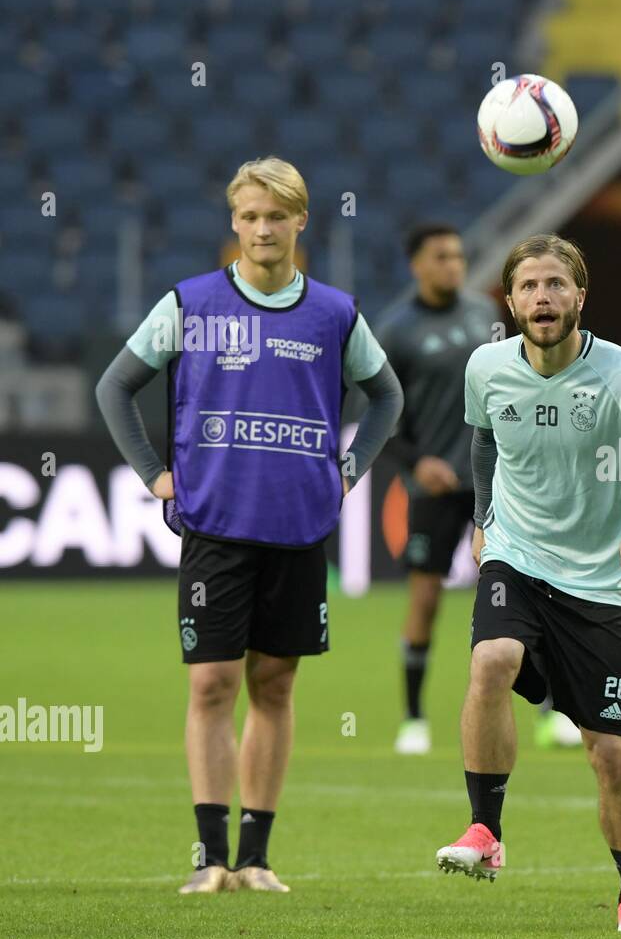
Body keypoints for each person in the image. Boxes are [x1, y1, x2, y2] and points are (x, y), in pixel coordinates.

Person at [95, 156, 403, 894]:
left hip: (298, 526)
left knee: (274, 684)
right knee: (210, 685)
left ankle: (257, 856)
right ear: (234, 223)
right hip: (215, 524)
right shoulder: (192, 303)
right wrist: (153, 473)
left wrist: (350, 468)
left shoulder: (334, 312)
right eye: (251, 216)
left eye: (278, 215)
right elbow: (116, 386)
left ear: (302, 221)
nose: (264, 228)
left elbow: (386, 397)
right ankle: (210, 857)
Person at [433, 234, 621, 932]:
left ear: (581, 296)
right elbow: (484, 439)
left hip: (597, 585)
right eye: (528, 286)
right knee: (491, 659)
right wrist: (484, 517)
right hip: (516, 558)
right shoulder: (487, 366)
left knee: (610, 753)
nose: (542, 298)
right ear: (511, 299)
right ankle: (485, 830)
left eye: (556, 285)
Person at [376, 224, 582, 753]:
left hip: (498, 480)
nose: (454, 264)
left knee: (531, 595)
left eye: (459, 255)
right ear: (416, 265)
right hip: (434, 487)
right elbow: (381, 409)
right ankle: (413, 718)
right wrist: (417, 461)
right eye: (441, 256)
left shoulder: (483, 316)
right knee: (424, 599)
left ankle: (550, 709)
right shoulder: (396, 331)